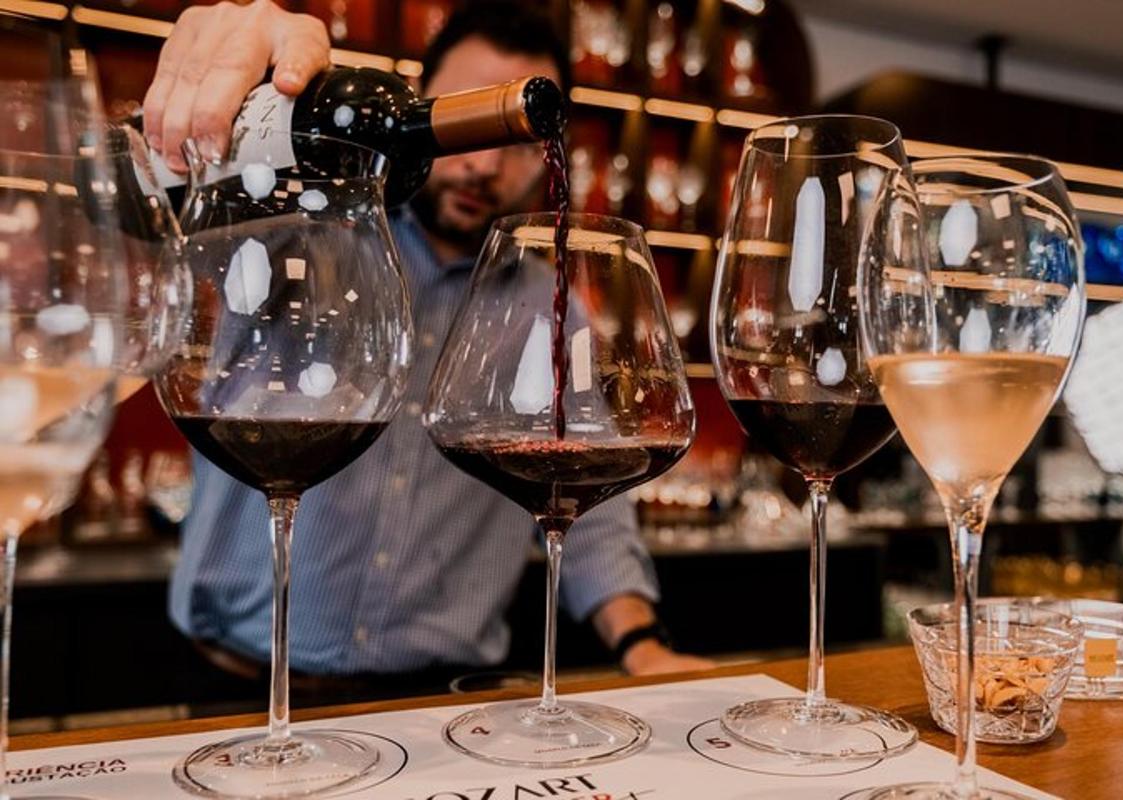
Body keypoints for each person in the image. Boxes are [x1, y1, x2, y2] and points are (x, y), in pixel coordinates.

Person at [144, 0, 712, 695]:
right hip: (233, 685)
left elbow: (588, 505)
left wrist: (641, 645)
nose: (484, 165)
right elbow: (152, 216)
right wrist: (236, 66)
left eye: (514, 140)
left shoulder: (551, 305)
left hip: (436, 702)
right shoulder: (295, 227)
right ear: (423, 107)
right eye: (469, 122)